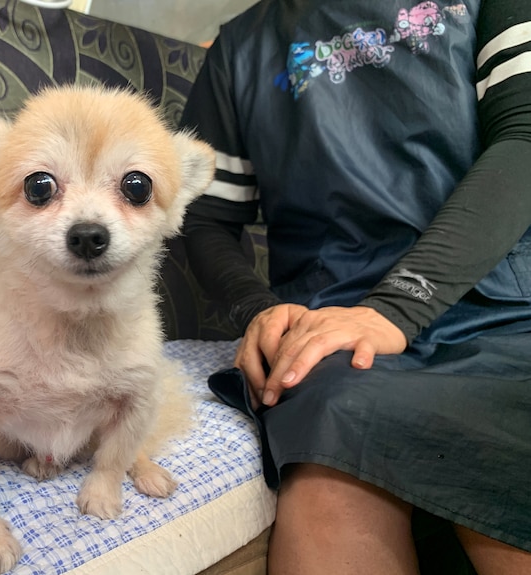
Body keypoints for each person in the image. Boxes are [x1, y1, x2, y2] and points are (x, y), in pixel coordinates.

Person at [179, 0, 531, 573]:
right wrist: (259, 309)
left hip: (501, 312)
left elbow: (525, 135)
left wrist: (394, 309)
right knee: (328, 481)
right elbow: (205, 217)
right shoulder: (240, 49)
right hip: (332, 338)